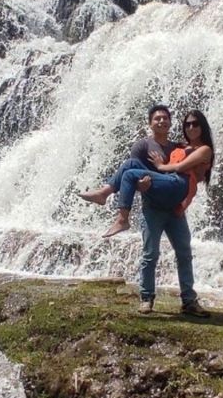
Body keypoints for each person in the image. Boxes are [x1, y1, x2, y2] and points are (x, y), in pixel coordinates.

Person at [79, 106, 213, 317]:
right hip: (153, 205)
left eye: (165, 118)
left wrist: (164, 173)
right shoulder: (143, 145)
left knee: (184, 253)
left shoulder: (179, 148)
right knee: (150, 253)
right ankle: (146, 298)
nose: (161, 122)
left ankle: (189, 300)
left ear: (170, 123)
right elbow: (133, 177)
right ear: (150, 123)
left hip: (173, 204)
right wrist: (141, 185)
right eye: (157, 119)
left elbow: (189, 177)